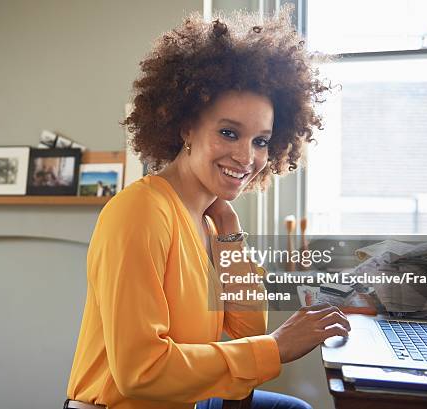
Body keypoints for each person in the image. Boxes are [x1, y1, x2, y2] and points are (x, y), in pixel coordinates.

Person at [65, 8, 350, 409]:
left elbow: (248, 326)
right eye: (229, 132)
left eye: (261, 141)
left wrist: (231, 236)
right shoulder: (139, 212)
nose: (246, 156)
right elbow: (140, 372)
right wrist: (275, 348)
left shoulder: (211, 222)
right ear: (186, 127)